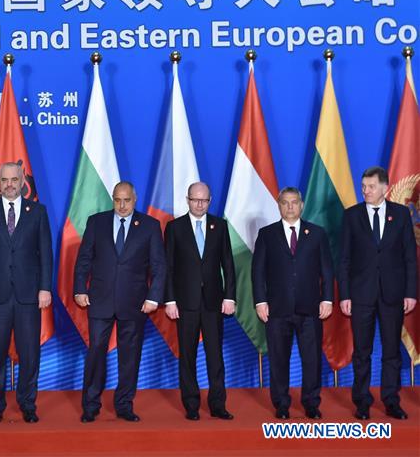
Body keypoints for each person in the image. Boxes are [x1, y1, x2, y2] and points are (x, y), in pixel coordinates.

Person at [74, 181, 165, 423]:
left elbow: (158, 266)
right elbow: (84, 259)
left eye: (126, 200)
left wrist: (154, 297)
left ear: (135, 199)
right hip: (99, 300)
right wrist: (79, 289)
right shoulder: (97, 222)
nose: (122, 205)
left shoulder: (150, 226)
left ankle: (124, 404)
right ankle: (90, 405)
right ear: (112, 199)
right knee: (95, 354)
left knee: (130, 356)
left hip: (134, 302)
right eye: (117, 200)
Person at [0, 162, 52, 423]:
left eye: (14, 180)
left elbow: (46, 254)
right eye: (4, 180)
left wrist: (45, 288)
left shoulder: (38, 212)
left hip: (29, 295)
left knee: (30, 354)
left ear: (22, 182)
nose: (9, 184)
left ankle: (28, 404)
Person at [339, 166, 417, 420]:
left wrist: (410, 293)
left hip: (393, 295)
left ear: (385, 188)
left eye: (371, 187)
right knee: (362, 352)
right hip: (361, 295)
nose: (366, 191)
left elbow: (409, 258)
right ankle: (362, 401)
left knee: (391, 351)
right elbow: (344, 260)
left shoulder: (402, 215)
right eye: (363, 186)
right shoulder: (352, 216)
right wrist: (345, 295)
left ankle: (391, 400)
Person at [252, 187, 334, 420]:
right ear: (278, 205)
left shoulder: (317, 234)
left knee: (312, 359)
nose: (290, 207)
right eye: (285, 202)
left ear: (302, 204)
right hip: (277, 310)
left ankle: (311, 403)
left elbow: (327, 270)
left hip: (310, 309)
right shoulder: (267, 234)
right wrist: (260, 301)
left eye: (294, 202)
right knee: (278, 359)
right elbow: (258, 272)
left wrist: (327, 298)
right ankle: (281, 403)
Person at [163, 182, 236, 421]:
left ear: (210, 200)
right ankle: (191, 404)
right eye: (195, 200)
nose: (199, 204)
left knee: (215, 355)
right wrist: (170, 300)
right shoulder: (174, 228)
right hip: (185, 303)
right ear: (187, 199)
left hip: (214, 302)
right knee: (188, 355)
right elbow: (168, 267)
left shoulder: (220, 226)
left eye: (204, 200)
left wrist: (230, 296)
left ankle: (218, 404)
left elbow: (228, 265)